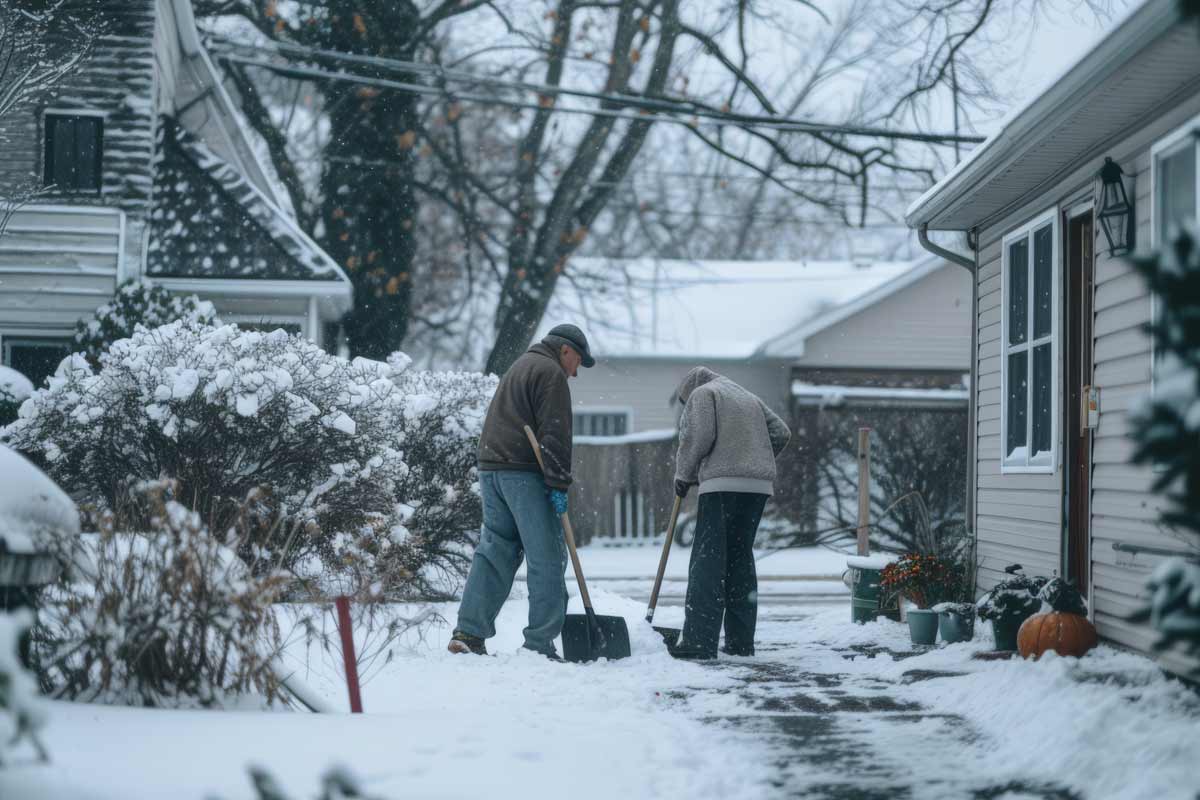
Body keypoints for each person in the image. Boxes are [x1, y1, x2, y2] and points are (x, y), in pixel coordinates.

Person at [447, 324, 595, 659]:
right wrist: (558, 483)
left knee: (496, 552)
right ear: (566, 351)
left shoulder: (521, 364)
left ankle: (468, 633)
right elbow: (555, 434)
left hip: (492, 469)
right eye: (578, 363)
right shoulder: (550, 372)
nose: (575, 373)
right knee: (547, 557)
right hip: (523, 473)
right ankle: (539, 644)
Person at [668, 366, 791, 660]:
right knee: (740, 559)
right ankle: (740, 643)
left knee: (708, 561)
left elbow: (698, 436)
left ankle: (699, 642)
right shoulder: (746, 396)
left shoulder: (702, 394)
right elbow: (781, 432)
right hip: (758, 486)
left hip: (721, 484)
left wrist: (683, 474)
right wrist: (753, 458)